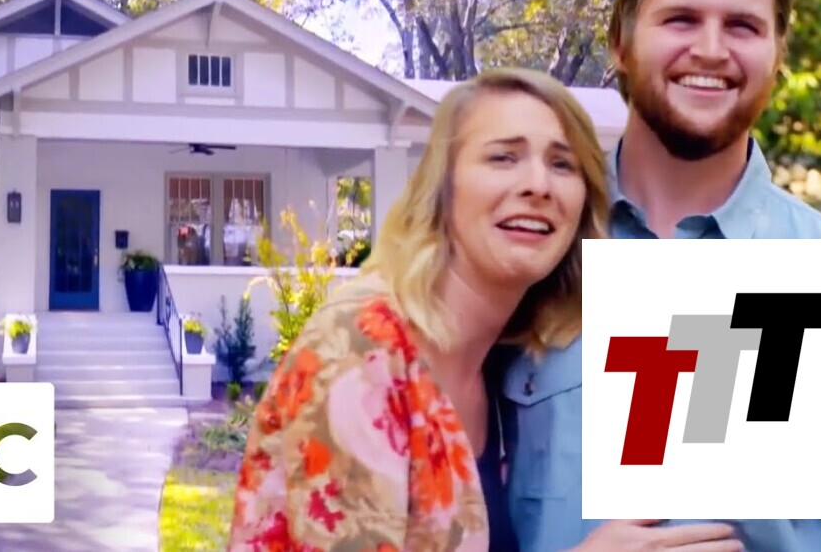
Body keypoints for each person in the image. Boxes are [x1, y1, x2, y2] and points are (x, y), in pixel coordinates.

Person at [499, 0, 821, 551]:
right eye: (681, 19)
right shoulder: (527, 247)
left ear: (778, 54)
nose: (711, 50)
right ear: (620, 42)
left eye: (743, 26)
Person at [227, 67, 610, 550]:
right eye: (503, 157)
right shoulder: (359, 350)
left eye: (563, 164)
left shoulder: (500, 364)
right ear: (441, 190)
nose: (539, 184)